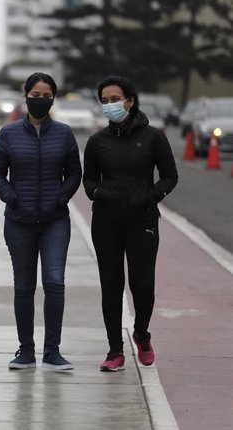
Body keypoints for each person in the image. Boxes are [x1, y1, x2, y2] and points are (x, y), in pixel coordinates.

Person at [83, 75, 178, 372]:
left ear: (130, 100)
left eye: (115, 99)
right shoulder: (98, 142)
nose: (110, 105)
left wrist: (152, 195)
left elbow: (170, 175)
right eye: (105, 100)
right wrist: (98, 192)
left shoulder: (152, 137)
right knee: (111, 285)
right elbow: (89, 180)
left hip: (143, 219)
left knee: (142, 284)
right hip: (106, 221)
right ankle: (115, 351)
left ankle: (142, 334)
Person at [0, 72, 82, 371]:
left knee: (54, 282)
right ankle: (25, 351)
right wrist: (11, 197)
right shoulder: (9, 134)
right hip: (19, 220)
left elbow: (74, 173)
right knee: (24, 286)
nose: (40, 100)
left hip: (55, 221)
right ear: (25, 95)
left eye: (46, 96)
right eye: (35, 95)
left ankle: (52, 352)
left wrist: (61, 197)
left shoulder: (64, 134)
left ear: (53, 98)